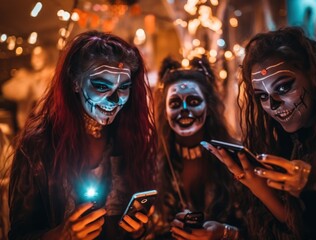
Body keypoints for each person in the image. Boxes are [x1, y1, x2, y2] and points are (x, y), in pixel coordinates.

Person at [203, 26, 316, 239]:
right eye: (262, 96)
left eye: (284, 87)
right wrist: (256, 185)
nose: (273, 105)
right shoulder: (289, 135)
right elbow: (303, 229)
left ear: (313, 75)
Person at [8, 30, 157, 240]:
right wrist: (61, 235)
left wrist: (139, 230)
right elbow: (18, 234)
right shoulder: (38, 145)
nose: (115, 99)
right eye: (101, 85)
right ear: (75, 82)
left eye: (124, 87)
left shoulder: (128, 140)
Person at [150, 55, 291, 240]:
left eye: (193, 101)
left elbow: (265, 230)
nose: (184, 109)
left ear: (208, 106)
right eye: (175, 103)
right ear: (165, 110)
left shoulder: (237, 158)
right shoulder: (153, 164)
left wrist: (225, 233)